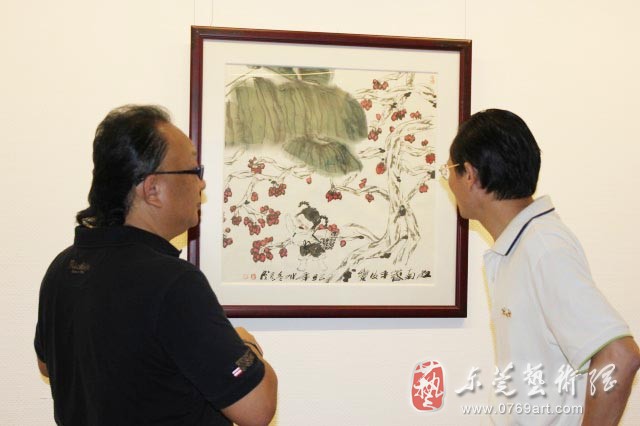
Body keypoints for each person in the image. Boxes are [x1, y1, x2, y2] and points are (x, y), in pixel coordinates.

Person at [34, 105, 277, 426]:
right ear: (152, 190)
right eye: (194, 170)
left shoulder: (63, 268)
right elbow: (257, 407)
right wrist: (247, 347)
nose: (202, 184)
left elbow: (47, 364)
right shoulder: (173, 283)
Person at [442, 109, 640, 425]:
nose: (449, 182)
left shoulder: (543, 248)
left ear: (470, 174)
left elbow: (620, 356)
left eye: (449, 170)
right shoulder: (521, 245)